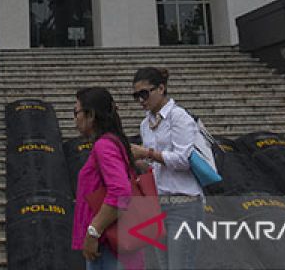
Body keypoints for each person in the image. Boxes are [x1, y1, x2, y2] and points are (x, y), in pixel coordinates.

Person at [129, 67, 204, 270]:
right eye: (136, 96)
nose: (140, 100)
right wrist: (134, 160)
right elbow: (155, 166)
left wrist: (147, 153)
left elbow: (183, 160)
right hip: (159, 202)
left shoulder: (178, 117)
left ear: (161, 88)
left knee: (180, 265)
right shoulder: (146, 124)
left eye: (144, 94)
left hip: (184, 202)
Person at [72, 87, 142, 270]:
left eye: (76, 112)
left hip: (107, 242)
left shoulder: (104, 145)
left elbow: (120, 191)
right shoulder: (114, 141)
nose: (75, 119)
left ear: (91, 115)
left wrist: (93, 231)